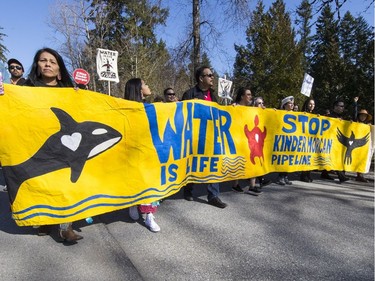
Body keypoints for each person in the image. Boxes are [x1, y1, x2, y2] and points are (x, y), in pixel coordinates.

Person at [24, 48, 82, 243]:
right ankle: (43, 220)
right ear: (37, 66)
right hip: (35, 143)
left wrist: (80, 97)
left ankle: (66, 227)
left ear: (59, 69)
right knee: (41, 183)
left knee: (64, 185)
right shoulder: (25, 88)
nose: (47, 64)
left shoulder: (68, 90)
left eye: (52, 61)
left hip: (64, 148)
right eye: (43, 61)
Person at [181, 66, 227, 208]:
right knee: (192, 164)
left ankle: (213, 195)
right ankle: (188, 189)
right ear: (201, 78)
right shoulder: (189, 94)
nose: (212, 77)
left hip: (211, 136)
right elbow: (181, 116)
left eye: (212, 75)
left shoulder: (213, 96)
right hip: (194, 137)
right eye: (209, 75)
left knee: (214, 164)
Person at [124, 78, 161, 232]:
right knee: (134, 180)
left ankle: (149, 216)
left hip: (150, 151)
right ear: (139, 89)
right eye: (145, 84)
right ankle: (132, 203)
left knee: (150, 183)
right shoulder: (125, 109)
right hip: (132, 152)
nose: (148, 86)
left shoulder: (152, 107)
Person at [230, 87, 253, 193]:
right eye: (248, 94)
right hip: (237, 138)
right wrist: (231, 108)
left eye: (250, 95)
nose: (250, 97)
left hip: (248, 139)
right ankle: (235, 184)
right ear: (242, 96)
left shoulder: (251, 109)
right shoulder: (234, 107)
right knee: (237, 161)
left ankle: (251, 184)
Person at [320, 100, 349, 183]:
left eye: (343, 106)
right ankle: (341, 176)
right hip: (330, 141)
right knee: (334, 159)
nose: (342, 108)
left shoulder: (342, 118)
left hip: (338, 142)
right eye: (340, 106)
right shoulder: (329, 116)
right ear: (335, 107)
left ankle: (324, 173)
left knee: (334, 158)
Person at [352, 97, 372, 182]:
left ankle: (360, 175)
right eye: (362, 115)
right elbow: (354, 113)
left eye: (364, 116)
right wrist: (355, 104)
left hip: (362, 145)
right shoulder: (356, 122)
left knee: (361, 159)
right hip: (354, 143)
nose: (363, 117)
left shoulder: (367, 126)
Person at [276, 96, 294, 185]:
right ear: (284, 105)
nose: (292, 105)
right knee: (283, 159)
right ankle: (281, 177)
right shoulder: (280, 113)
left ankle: (286, 176)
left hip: (291, 139)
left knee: (288, 159)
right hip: (283, 139)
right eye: (289, 103)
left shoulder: (295, 114)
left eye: (292, 103)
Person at [300, 98, 316, 182]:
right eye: (310, 104)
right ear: (306, 104)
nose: (312, 106)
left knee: (310, 158)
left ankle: (308, 174)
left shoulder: (314, 115)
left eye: (313, 104)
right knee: (305, 157)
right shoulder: (302, 113)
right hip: (304, 139)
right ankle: (304, 175)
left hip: (311, 140)